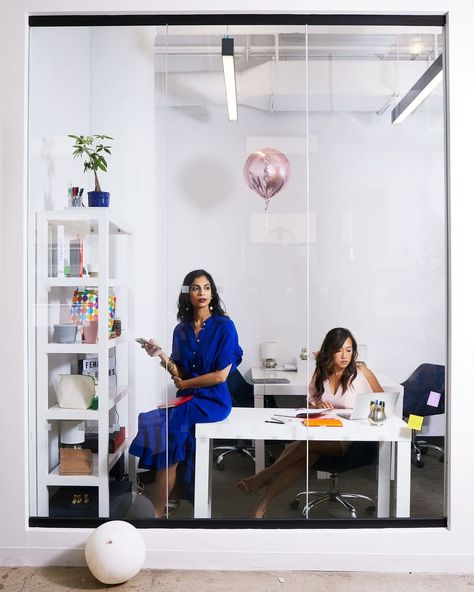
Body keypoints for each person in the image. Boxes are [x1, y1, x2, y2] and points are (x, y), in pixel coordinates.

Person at [129, 269, 243, 518]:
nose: (201, 293)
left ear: (212, 294)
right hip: (189, 398)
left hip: (213, 400)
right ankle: (164, 504)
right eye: (195, 288)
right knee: (158, 423)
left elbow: (220, 376)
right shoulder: (180, 330)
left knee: (165, 425)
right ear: (187, 294)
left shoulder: (225, 326)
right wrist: (161, 355)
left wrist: (184, 385)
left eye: (206, 288)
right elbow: (178, 371)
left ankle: (158, 510)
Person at [236, 327, 383, 518]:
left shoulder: (361, 371)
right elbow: (311, 402)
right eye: (339, 350)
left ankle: (264, 475)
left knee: (307, 444)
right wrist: (319, 404)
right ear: (330, 351)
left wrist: (361, 412)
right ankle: (261, 507)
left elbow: (383, 401)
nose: (344, 356)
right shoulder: (322, 371)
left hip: (354, 439)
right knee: (308, 453)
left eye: (348, 350)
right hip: (326, 434)